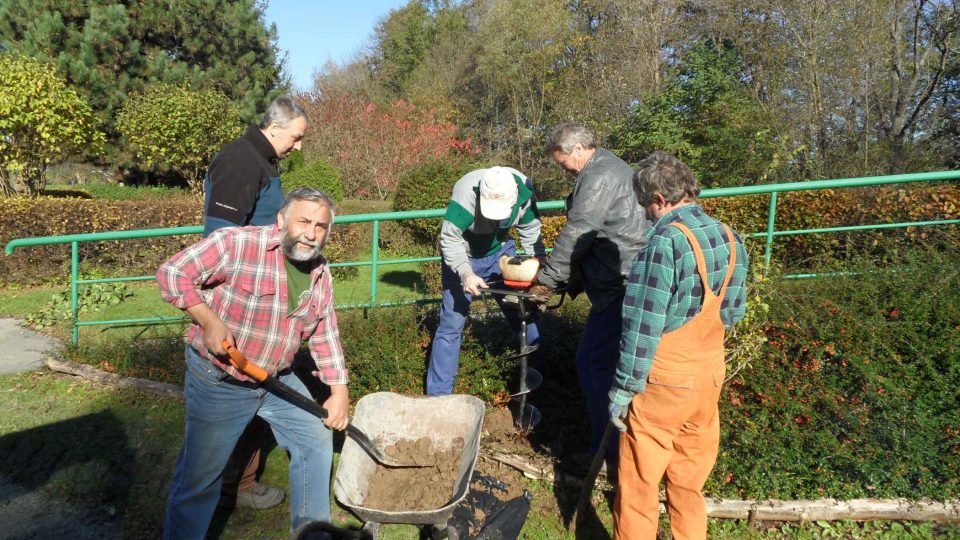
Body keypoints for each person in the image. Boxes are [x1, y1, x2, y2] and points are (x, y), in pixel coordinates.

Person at [158, 188, 349, 539]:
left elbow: (324, 331)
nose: (311, 233)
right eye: (304, 221)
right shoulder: (237, 244)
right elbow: (172, 273)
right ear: (281, 221)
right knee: (201, 478)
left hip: (274, 380)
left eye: (321, 226)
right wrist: (208, 320)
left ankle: (313, 534)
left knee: (314, 437)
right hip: (221, 379)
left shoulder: (320, 272)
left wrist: (339, 390)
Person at [610, 152, 749, 539]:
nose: (645, 214)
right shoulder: (729, 236)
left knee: (639, 484)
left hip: (665, 383)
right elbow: (732, 312)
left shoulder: (664, 244)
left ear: (659, 198)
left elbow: (641, 329)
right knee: (688, 482)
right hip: (709, 379)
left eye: (644, 205)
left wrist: (622, 389)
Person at [203, 96, 308, 509]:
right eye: (296, 137)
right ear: (276, 127)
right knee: (237, 389)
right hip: (238, 300)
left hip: (260, 292)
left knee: (254, 382)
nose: (298, 146)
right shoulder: (241, 161)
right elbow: (220, 240)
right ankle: (231, 486)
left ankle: (237, 481)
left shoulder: (260, 160)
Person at [533, 123, 650, 464]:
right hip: (625, 277)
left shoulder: (599, 176)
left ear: (579, 150)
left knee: (592, 362)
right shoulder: (611, 167)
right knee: (612, 363)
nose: (563, 168)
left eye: (563, 161)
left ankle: (606, 449)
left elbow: (579, 230)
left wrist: (549, 279)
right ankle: (615, 444)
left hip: (619, 284)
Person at [427, 166, 547, 395]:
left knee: (523, 312)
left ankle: (538, 378)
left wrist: (538, 263)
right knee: (451, 324)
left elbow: (531, 229)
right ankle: (438, 397)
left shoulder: (525, 190)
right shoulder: (466, 192)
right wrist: (466, 273)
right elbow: (450, 239)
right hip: (463, 255)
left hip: (501, 252)